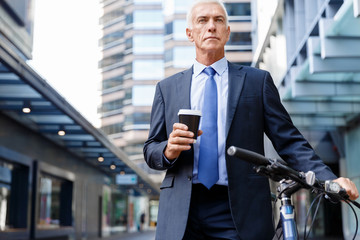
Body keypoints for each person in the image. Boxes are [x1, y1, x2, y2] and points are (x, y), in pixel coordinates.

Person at [143, 0, 359, 239]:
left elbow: (290, 141)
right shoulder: (167, 88)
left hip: (240, 209)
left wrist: (330, 179)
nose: (211, 26)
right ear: (189, 34)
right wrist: (168, 150)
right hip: (182, 211)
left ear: (228, 32)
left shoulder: (257, 82)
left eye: (219, 20)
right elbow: (151, 149)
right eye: (202, 21)